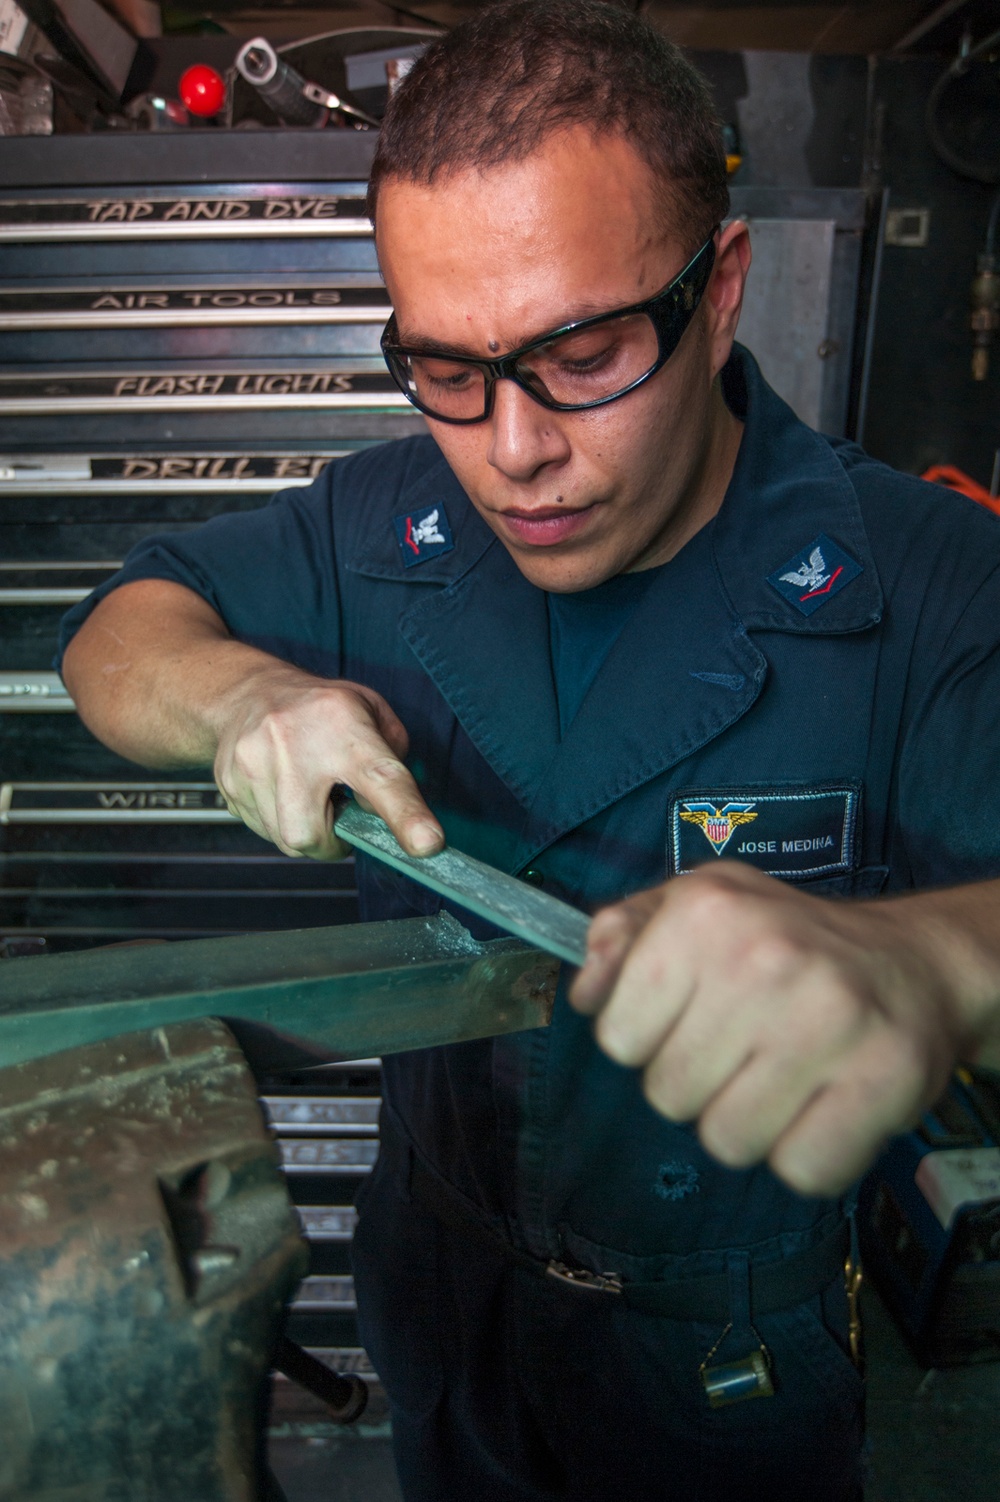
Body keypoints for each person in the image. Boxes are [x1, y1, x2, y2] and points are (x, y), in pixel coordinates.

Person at [58, 3, 1000, 1497]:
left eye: (583, 351)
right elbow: (117, 631)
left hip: (727, 1366)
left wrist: (938, 964)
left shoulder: (924, 577)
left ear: (722, 289)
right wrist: (235, 694)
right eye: (445, 366)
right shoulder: (379, 522)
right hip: (447, 1305)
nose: (512, 449)